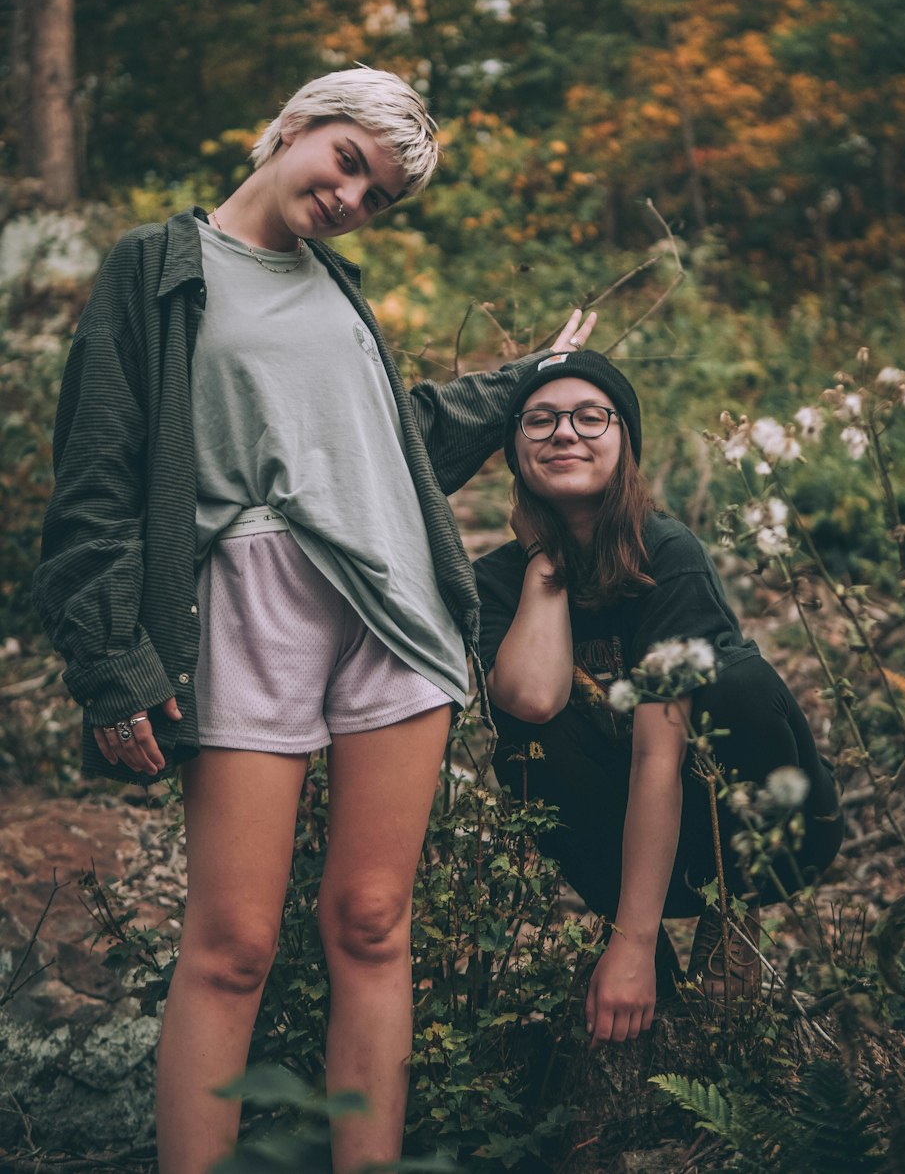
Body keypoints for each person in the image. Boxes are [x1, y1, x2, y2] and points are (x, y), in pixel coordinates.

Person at [32, 67, 596, 1174]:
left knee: (373, 925)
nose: (351, 199)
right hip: (246, 610)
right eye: (347, 161)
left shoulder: (338, 293)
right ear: (294, 126)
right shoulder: (157, 267)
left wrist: (534, 377)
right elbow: (95, 482)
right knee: (233, 944)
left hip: (392, 614)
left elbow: (386, 440)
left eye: (378, 195)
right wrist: (111, 663)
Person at [473, 350, 844, 1047]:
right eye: (541, 420)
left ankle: (731, 910)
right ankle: (647, 956)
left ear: (625, 441)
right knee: (524, 739)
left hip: (766, 834)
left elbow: (657, 756)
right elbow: (530, 698)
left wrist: (631, 944)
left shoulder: (666, 553)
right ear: (515, 449)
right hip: (617, 841)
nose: (565, 433)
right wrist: (544, 562)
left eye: (591, 416)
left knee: (734, 683)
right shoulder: (498, 581)